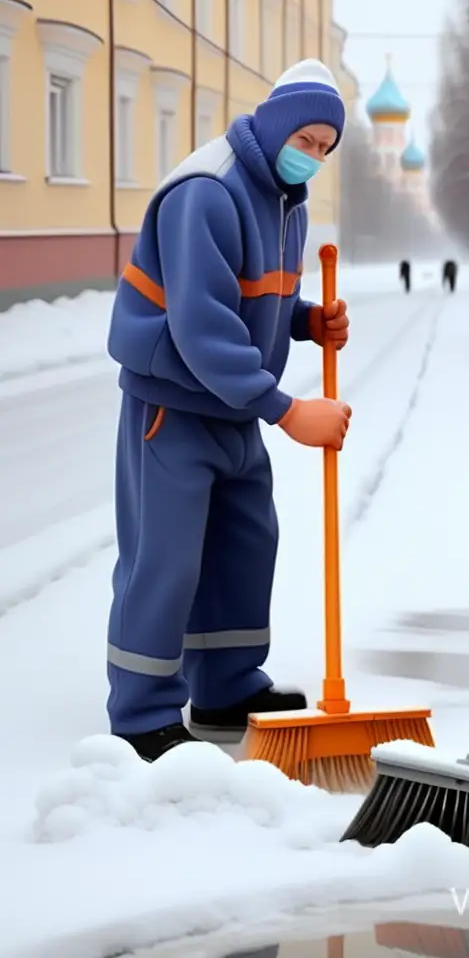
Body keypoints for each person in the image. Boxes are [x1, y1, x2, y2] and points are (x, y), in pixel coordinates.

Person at [106, 59, 353, 761]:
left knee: (245, 546)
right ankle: (143, 710)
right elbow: (203, 326)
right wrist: (285, 409)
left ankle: (226, 686)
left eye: (325, 150)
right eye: (306, 140)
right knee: (167, 559)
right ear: (276, 124)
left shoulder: (282, 200)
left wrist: (305, 321)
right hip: (174, 408)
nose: (313, 158)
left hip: (231, 410)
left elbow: (254, 295)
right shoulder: (207, 191)